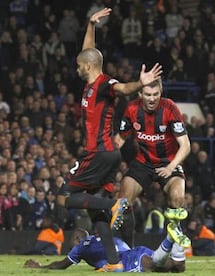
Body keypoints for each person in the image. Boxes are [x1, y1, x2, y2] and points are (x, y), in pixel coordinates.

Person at [56, 7, 163, 272]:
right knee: (97, 215)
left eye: (80, 65)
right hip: (107, 155)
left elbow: (124, 88)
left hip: (98, 152)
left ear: (88, 67)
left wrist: (140, 84)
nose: (76, 66)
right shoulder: (90, 80)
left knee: (63, 198)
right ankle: (114, 263)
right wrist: (91, 25)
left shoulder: (104, 84)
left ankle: (115, 204)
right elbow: (89, 52)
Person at [115, 77, 191, 247]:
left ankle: (174, 242)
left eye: (155, 94)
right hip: (143, 163)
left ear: (160, 93)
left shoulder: (170, 108)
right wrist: (107, 160)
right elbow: (119, 139)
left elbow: (185, 146)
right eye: (148, 94)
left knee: (178, 198)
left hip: (168, 162)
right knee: (122, 202)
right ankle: (127, 249)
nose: (152, 98)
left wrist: (171, 167)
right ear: (140, 93)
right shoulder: (132, 108)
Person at [24, 222, 186, 273]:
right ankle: (175, 241)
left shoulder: (82, 245)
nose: (71, 244)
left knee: (153, 265)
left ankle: (170, 238)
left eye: (72, 240)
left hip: (129, 260)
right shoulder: (109, 239)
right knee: (176, 268)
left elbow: (61, 265)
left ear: (78, 238)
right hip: (136, 252)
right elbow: (124, 247)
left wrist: (40, 266)